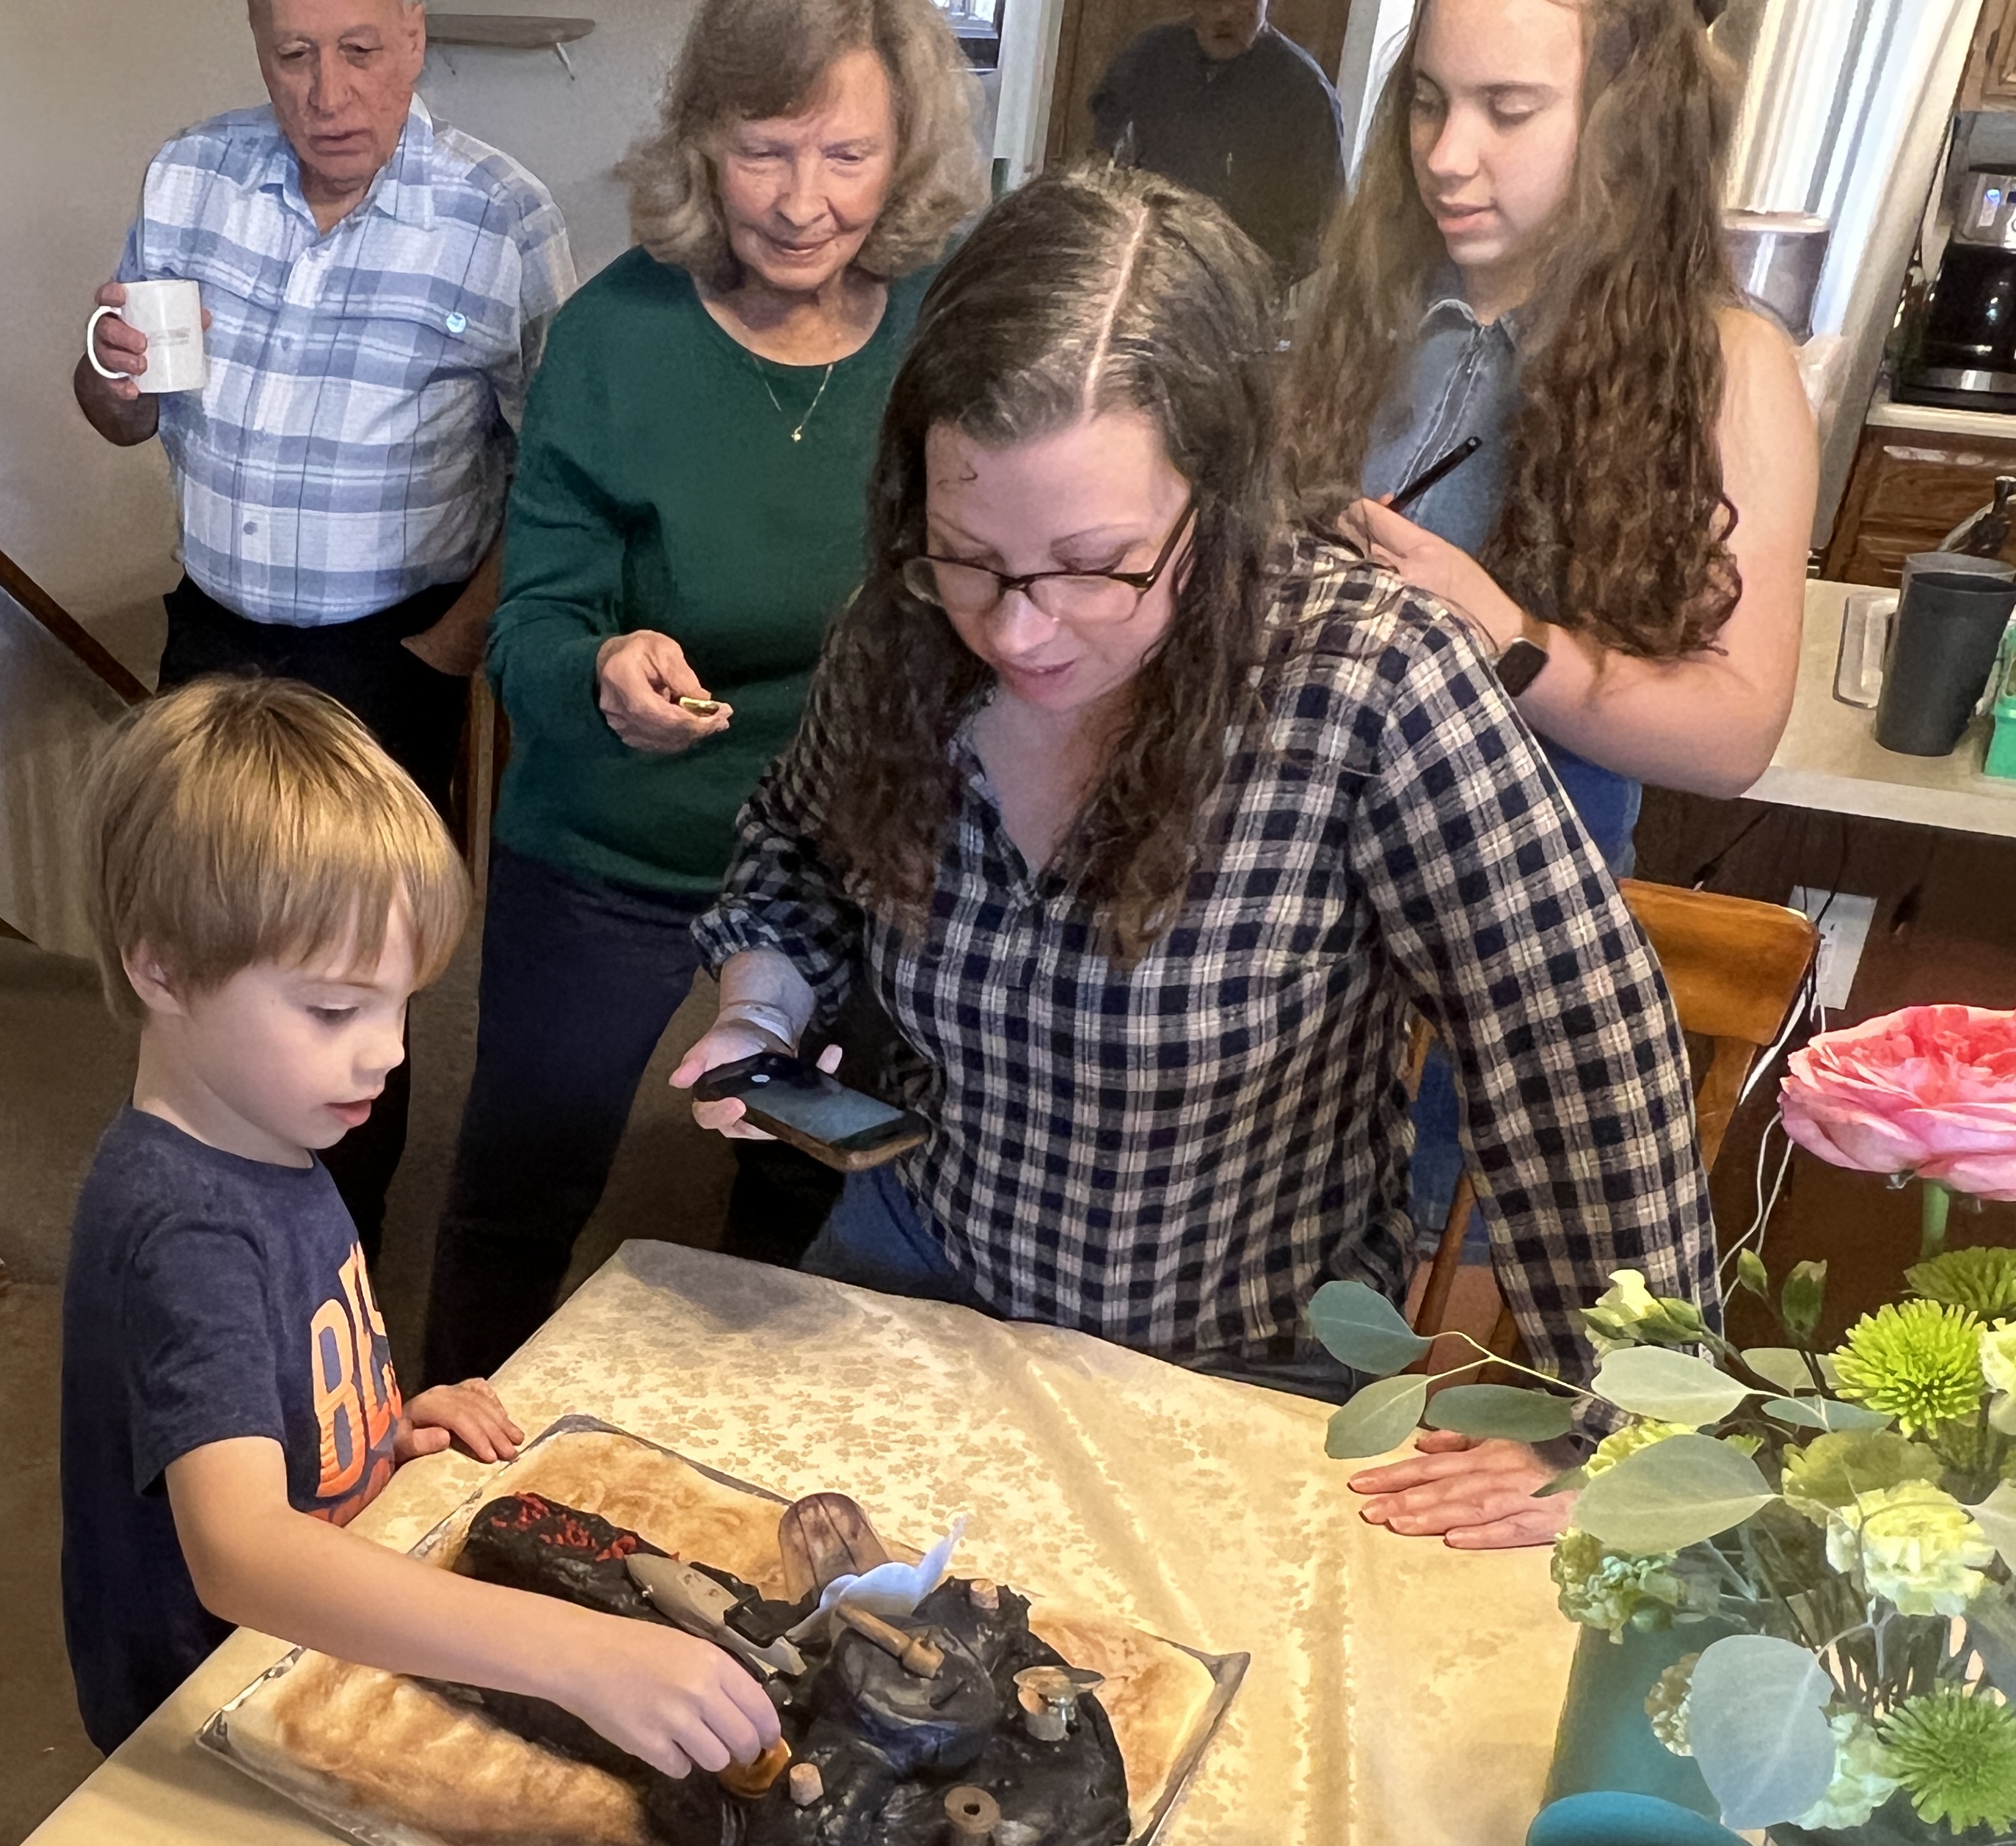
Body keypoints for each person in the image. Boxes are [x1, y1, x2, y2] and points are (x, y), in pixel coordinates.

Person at [671, 166, 1716, 1549]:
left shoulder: (1371, 681)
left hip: (1233, 1361)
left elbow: (1577, 1052)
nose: (1019, 630)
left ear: (1216, 502)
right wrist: (761, 1011)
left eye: (1095, 563)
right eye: (968, 555)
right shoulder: (902, 633)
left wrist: (1624, 1433)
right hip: (915, 1284)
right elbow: (799, 848)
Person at [1281, 0, 1814, 1530]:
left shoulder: (1724, 367)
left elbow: (1734, 728)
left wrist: (1506, 635)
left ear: (1629, 120)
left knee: (1432, 1424)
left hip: (1500, 977)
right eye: (1428, 104)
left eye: (1507, 112)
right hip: (1288, 965)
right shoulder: (1352, 321)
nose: (1449, 157)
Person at [59, 675, 782, 1770]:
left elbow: (262, 1396)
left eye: (403, 1003)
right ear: (161, 965)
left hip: (300, 1644)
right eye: (333, 1009)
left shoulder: (264, 1131)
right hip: (212, 1701)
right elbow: (241, 1550)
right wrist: (578, 1654)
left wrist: (367, 1443)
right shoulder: (186, 1228)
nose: (390, 1052)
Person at [421, 0, 987, 1387]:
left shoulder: (952, 327)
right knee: (520, 1187)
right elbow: (532, 625)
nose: (801, 203)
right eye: (762, 151)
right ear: (700, 145)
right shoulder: (613, 335)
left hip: (849, 855)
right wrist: (599, 669)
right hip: (610, 837)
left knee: (800, 1190)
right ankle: (444, 1457)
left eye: (846, 155)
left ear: (907, 150)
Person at [76, 0, 579, 1263]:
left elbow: (557, 475)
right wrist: (108, 375)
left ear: (413, 36)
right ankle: (201, 1236)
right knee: (193, 950)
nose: (327, 92)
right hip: (209, 637)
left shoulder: (501, 218)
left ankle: (332, 1265)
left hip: (385, 659)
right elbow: (124, 410)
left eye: (360, 50)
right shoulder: (190, 175)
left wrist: (452, 645)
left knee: (346, 983)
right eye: (293, 54)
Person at [1088, 0, 1344, 291]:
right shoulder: (1146, 58)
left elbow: (1318, 236)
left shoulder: (1308, 95)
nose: (1225, 14)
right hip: (1144, 276)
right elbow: (1102, 168)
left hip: (1238, 295)